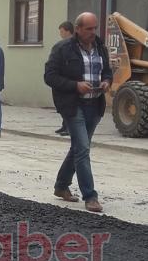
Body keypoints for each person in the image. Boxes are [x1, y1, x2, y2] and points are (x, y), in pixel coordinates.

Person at [44, 12, 113, 213]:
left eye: (95, 28)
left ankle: (61, 186)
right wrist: (75, 86)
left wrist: (107, 81)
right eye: (89, 29)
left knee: (78, 148)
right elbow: (50, 76)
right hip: (73, 106)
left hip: (95, 105)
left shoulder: (100, 47)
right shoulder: (62, 49)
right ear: (78, 29)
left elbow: (107, 71)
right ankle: (90, 196)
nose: (93, 32)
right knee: (83, 148)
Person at [55, 21, 75, 136]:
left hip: (68, 78)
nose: (60, 34)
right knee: (61, 103)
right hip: (61, 78)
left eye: (62, 32)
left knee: (68, 104)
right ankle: (64, 125)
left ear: (68, 31)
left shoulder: (72, 44)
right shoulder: (63, 44)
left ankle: (69, 127)